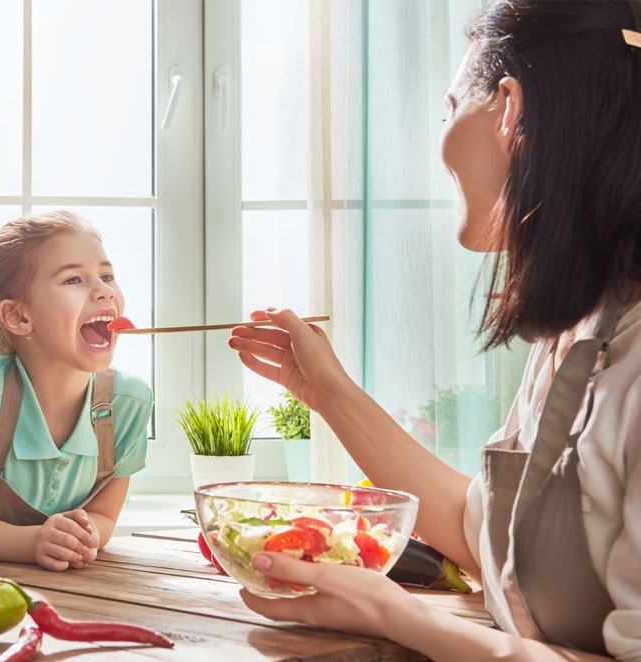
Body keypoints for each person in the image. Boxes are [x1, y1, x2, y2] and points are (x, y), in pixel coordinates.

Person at [227, 1, 641, 659]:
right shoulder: (579, 326)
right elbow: (481, 530)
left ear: (508, 109)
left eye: (450, 109)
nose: (442, 136)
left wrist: (400, 617)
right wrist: (324, 389)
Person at [0, 210, 153, 571]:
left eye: (107, 275)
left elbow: (103, 516)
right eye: (73, 280)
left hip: (55, 583)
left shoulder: (128, 402)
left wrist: (81, 538)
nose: (104, 291)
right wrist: (39, 540)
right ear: (19, 317)